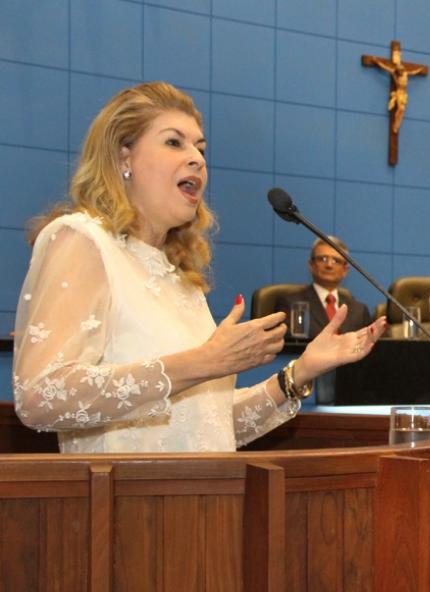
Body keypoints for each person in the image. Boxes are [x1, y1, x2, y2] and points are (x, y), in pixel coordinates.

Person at [12, 82, 386, 454]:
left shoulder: (179, 276)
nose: (197, 159)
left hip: (205, 491)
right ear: (124, 158)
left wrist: (299, 373)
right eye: (174, 142)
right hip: (125, 490)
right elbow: (39, 396)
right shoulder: (84, 240)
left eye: (200, 148)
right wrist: (204, 361)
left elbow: (209, 427)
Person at [275, 236, 373, 340]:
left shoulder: (359, 311)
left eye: (336, 260)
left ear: (345, 270)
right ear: (311, 265)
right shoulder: (291, 304)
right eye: (323, 259)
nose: (329, 265)